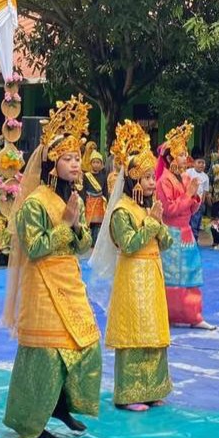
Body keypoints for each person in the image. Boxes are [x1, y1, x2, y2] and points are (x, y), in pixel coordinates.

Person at [1, 97, 101, 438]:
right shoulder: (34, 203)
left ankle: (60, 404)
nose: (75, 164)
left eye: (77, 158)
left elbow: (84, 244)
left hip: (69, 280)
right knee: (46, 353)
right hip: (41, 282)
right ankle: (31, 420)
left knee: (88, 343)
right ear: (51, 163)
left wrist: (75, 226)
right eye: (68, 158)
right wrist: (66, 225)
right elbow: (35, 246)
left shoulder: (73, 197)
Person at [88, 120, 173, 411]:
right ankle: (129, 393)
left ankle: (153, 388)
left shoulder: (149, 207)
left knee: (154, 330)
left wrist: (157, 222)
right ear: (134, 179)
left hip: (152, 273)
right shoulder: (122, 211)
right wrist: (152, 222)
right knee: (135, 331)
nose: (153, 182)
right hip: (133, 274)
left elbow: (167, 243)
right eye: (148, 177)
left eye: (153, 177)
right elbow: (130, 243)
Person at [156, 123, 215, 330]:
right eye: (181, 155)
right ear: (170, 158)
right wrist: (189, 194)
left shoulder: (183, 178)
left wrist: (195, 196)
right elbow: (169, 210)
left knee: (191, 274)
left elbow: (189, 210)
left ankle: (193, 315)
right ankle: (169, 314)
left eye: (185, 154)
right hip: (172, 234)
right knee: (172, 277)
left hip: (186, 231)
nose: (185, 158)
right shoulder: (164, 181)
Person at [82, 146, 107, 245]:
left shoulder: (103, 176)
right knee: (89, 223)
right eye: (94, 162)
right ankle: (87, 242)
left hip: (99, 202)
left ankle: (96, 242)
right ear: (90, 163)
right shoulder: (86, 176)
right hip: (89, 201)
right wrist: (83, 201)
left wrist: (106, 201)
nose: (96, 165)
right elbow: (83, 189)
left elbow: (105, 189)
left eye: (98, 162)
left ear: (101, 164)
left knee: (98, 223)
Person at [188, 154, 211, 236]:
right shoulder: (189, 172)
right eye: (199, 162)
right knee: (189, 221)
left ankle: (195, 238)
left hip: (199, 203)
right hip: (189, 201)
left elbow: (205, 191)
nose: (201, 164)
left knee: (197, 222)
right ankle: (190, 239)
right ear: (194, 163)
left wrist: (202, 203)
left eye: (203, 163)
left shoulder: (206, 177)